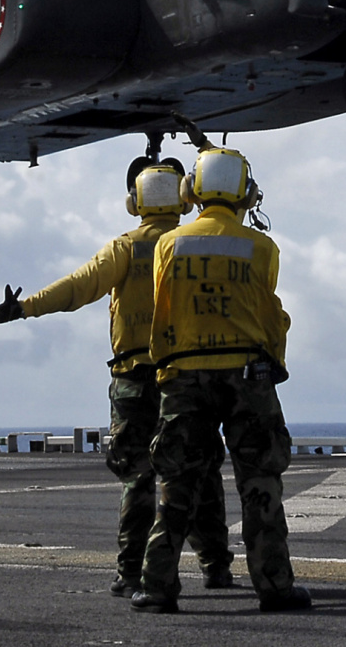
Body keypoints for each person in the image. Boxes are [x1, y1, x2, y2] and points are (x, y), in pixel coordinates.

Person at [0, 162, 234, 598]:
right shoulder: (193, 246)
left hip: (134, 380)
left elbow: (79, 287)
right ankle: (215, 567)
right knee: (200, 470)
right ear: (184, 198)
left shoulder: (125, 249)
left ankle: (131, 571)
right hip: (186, 378)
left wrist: (24, 308)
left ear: (135, 204)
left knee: (137, 476)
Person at [131, 146, 312, 616]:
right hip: (248, 376)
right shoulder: (262, 247)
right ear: (245, 193)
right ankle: (274, 586)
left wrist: (166, 367)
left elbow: (162, 311)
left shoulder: (170, 244)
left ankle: (156, 586)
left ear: (190, 191)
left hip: (185, 376)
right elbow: (272, 316)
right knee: (260, 482)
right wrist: (275, 361)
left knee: (177, 482)